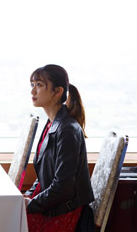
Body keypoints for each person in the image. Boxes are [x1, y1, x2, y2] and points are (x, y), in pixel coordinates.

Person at [24, 64, 94, 232]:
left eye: (39, 85)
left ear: (57, 92)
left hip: (64, 211)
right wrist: (28, 195)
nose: (33, 91)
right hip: (52, 204)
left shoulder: (67, 130)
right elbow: (44, 174)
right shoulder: (51, 123)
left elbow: (63, 187)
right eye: (32, 85)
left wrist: (31, 204)